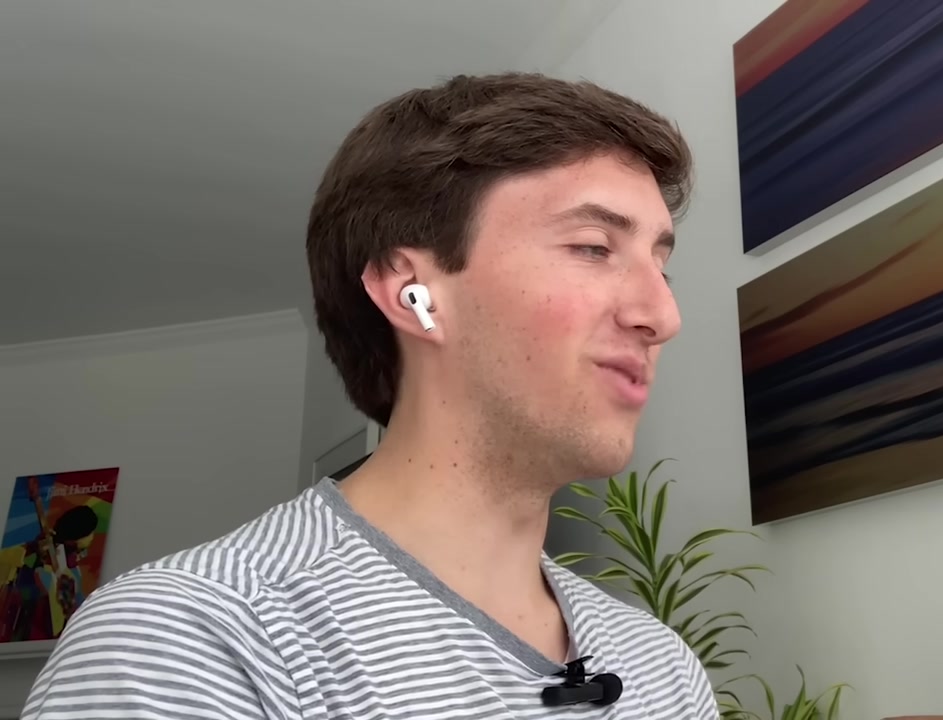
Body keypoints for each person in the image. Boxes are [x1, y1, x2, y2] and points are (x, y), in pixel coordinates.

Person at [22, 72, 717, 719]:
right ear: (414, 294)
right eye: (594, 247)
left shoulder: (663, 668)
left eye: (662, 267)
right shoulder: (189, 642)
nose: (663, 316)